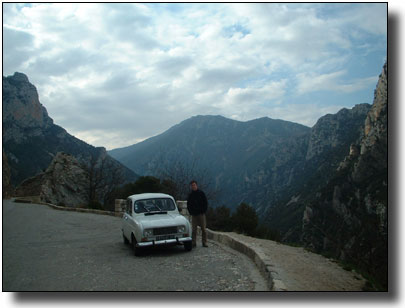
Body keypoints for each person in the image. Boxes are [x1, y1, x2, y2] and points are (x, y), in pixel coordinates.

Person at [187, 180, 208, 248]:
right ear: (191, 187)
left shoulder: (201, 193)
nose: (193, 186)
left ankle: (204, 242)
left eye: (194, 185)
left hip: (201, 214)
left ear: (197, 185)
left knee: (204, 229)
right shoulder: (190, 195)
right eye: (192, 185)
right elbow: (188, 204)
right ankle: (193, 242)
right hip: (194, 215)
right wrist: (191, 212)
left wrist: (203, 211)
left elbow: (205, 202)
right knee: (194, 230)